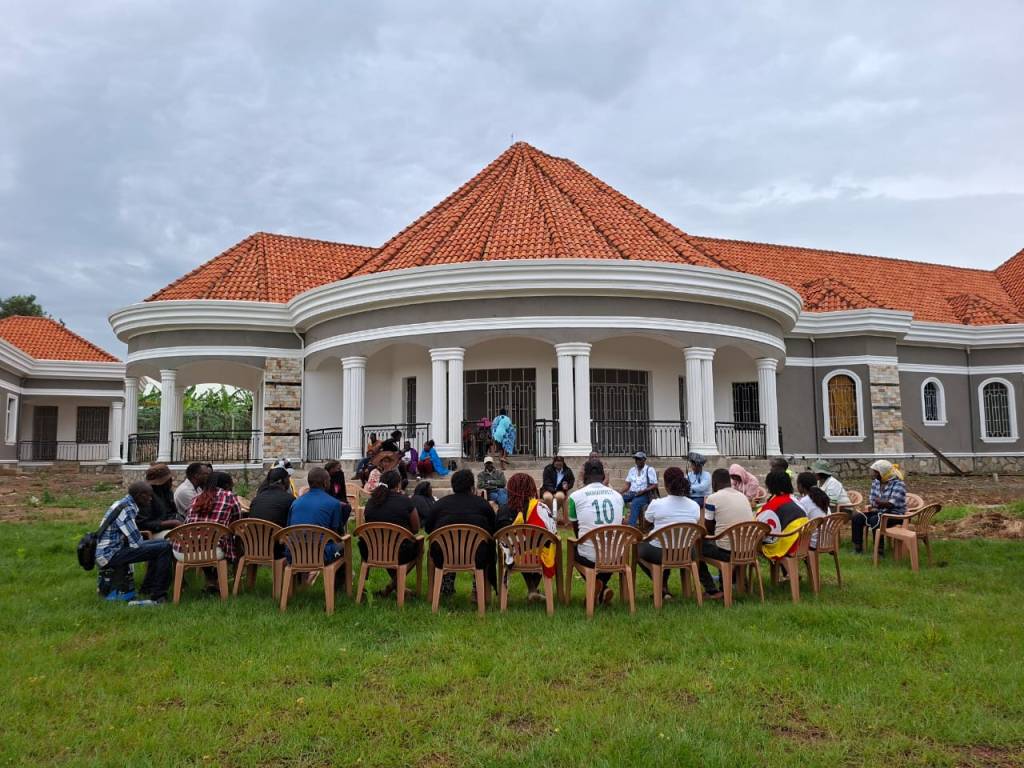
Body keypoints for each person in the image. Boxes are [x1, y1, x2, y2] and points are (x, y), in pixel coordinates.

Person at [94, 481, 173, 603]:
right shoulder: (126, 509)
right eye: (149, 495)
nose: (151, 499)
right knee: (164, 548)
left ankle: (147, 588)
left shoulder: (123, 503)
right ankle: (159, 595)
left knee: (161, 546)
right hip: (110, 555)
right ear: (140, 495)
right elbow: (137, 542)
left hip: (110, 550)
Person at [425, 468, 498, 594]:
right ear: (472, 486)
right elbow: (493, 530)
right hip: (478, 556)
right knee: (487, 547)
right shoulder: (483, 504)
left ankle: (443, 587)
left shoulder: (440, 504)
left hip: (444, 555)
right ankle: (478, 590)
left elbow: (428, 529)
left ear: (453, 486)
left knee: (443, 546)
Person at [638, 467, 701, 602]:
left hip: (660, 553)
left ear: (666, 485)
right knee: (664, 546)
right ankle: (665, 587)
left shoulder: (656, 504)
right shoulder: (694, 505)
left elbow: (645, 526)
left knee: (637, 549)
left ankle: (661, 585)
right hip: (687, 552)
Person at [568, 460, 624, 605]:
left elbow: (576, 529)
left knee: (575, 548)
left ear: (584, 476)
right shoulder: (618, 496)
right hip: (616, 555)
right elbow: (621, 523)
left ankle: (596, 586)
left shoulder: (575, 497)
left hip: (590, 556)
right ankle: (602, 588)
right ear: (603, 475)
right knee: (607, 552)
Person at [360, 469, 422, 598]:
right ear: (398, 484)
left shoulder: (371, 501)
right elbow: (416, 529)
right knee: (418, 547)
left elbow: (368, 523)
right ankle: (393, 586)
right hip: (399, 551)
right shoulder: (405, 501)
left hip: (371, 550)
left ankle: (373, 589)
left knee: (388, 546)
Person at [502, 472, 558, 602]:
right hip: (540, 556)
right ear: (532, 488)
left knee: (520, 548)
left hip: (513, 557)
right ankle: (533, 589)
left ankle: (532, 589)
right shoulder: (542, 508)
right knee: (542, 546)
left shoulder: (503, 510)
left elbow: (500, 536)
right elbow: (553, 532)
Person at [701, 468, 755, 598]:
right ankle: (735, 582)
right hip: (747, 550)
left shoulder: (712, 498)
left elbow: (709, 529)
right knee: (723, 540)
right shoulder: (743, 496)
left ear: (714, 483)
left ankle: (712, 590)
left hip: (728, 553)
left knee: (696, 548)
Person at [185, 472, 244, 590]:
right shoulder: (229, 496)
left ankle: (211, 579)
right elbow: (237, 523)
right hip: (213, 548)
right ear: (227, 485)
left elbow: (187, 522)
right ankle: (220, 580)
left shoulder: (197, 498)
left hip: (187, 548)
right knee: (227, 539)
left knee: (206, 540)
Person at [287, 467, 350, 564]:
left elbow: (289, 529)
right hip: (321, 555)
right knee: (344, 544)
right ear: (325, 483)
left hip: (294, 555)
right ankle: (342, 574)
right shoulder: (334, 503)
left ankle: (301, 573)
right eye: (329, 480)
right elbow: (336, 535)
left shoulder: (295, 503)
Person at [852, 460, 907, 554]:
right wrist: (881, 502)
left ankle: (879, 550)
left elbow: (891, 504)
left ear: (883, 473)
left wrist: (879, 502)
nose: (873, 474)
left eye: (876, 472)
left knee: (875, 519)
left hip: (896, 515)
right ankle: (857, 548)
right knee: (857, 517)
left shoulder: (898, 484)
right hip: (880, 512)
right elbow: (872, 501)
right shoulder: (876, 482)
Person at [756, 470, 808, 560]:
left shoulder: (772, 506)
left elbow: (757, 527)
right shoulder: (796, 501)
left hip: (784, 547)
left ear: (771, 486)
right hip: (801, 544)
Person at [137, 463, 182, 539]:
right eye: (168, 480)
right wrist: (168, 523)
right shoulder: (146, 496)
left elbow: (172, 512)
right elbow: (142, 524)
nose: (171, 482)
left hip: (169, 527)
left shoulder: (167, 492)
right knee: (180, 538)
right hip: (151, 533)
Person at [621, 451, 658, 526]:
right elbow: (627, 484)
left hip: (644, 494)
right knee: (619, 499)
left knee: (635, 503)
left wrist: (643, 491)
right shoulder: (632, 470)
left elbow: (655, 485)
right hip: (632, 493)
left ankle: (631, 526)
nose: (637, 461)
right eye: (636, 459)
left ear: (644, 459)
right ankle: (621, 520)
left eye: (639, 459)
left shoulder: (649, 470)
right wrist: (620, 492)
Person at [795, 471, 830, 549]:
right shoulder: (822, 497)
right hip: (827, 539)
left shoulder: (804, 501)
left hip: (813, 542)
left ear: (800, 485)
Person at [540, 455, 575, 524]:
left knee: (560, 497)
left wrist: (567, 486)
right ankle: (550, 516)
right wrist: (553, 490)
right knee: (547, 497)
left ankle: (553, 515)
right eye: (557, 462)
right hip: (547, 489)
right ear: (554, 462)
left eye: (560, 462)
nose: (558, 464)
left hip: (560, 490)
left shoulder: (567, 470)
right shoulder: (548, 469)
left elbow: (572, 480)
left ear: (563, 463)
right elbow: (546, 482)